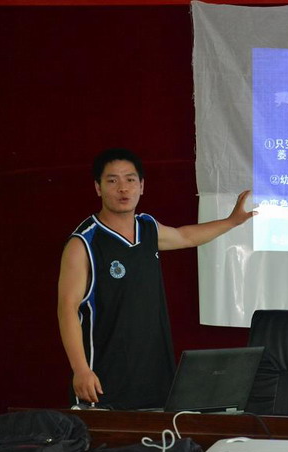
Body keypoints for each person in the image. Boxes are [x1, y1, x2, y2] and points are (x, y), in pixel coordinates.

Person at [57, 148, 255, 409]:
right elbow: (67, 309)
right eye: (112, 180)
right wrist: (81, 369)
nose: (123, 188)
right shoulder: (84, 242)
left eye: (130, 180)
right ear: (98, 188)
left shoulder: (148, 228)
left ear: (141, 186)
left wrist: (232, 222)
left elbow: (185, 236)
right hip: (104, 378)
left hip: (155, 375)